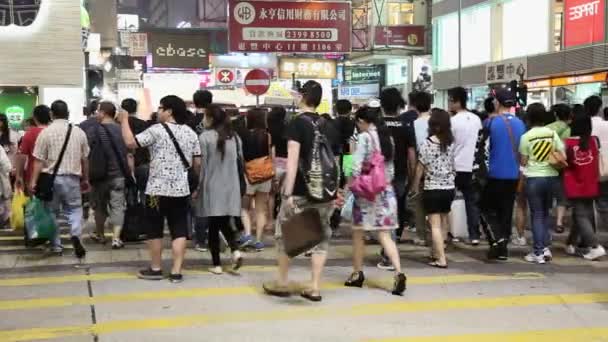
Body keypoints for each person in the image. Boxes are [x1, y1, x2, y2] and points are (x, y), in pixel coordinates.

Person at [263, 80, 340, 302]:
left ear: (303, 97)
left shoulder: (297, 123)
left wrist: (286, 194)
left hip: (300, 191)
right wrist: (336, 191)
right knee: (321, 237)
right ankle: (314, 286)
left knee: (285, 234)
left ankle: (283, 282)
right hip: (325, 191)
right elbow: (334, 161)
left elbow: (292, 162)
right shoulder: (329, 124)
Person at [118, 95, 201, 283]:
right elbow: (197, 163)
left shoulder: (156, 130)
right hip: (180, 191)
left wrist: (124, 121)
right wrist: (193, 183)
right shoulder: (190, 133)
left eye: (161, 108)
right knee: (179, 229)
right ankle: (176, 271)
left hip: (155, 192)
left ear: (169, 111)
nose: (159, 111)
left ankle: (156, 268)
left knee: (154, 228)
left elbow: (131, 143)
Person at [344, 106, 406, 295]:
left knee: (358, 234)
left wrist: (348, 186)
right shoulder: (387, 138)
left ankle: (357, 273)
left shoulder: (364, 138)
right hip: (386, 192)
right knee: (385, 236)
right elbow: (390, 169)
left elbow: (355, 167)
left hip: (366, 194)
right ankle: (399, 272)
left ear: (362, 121)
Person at [30, 100, 90, 259]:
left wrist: (33, 182)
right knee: (75, 210)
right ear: (68, 113)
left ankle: (57, 246)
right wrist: (86, 179)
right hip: (72, 178)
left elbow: (38, 160)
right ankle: (76, 234)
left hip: (51, 179)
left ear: (51, 114)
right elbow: (85, 159)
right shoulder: (79, 132)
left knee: (52, 212)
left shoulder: (46, 132)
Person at [195, 104, 244, 274]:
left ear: (211, 118)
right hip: (231, 187)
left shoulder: (205, 137)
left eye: (205, 116)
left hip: (212, 187)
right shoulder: (235, 138)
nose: (203, 119)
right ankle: (235, 251)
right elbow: (240, 163)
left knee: (214, 226)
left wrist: (197, 187)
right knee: (222, 222)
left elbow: (202, 166)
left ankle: (217, 264)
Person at [482, 89, 526, 261]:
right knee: (506, 210)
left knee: (485, 208)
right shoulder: (520, 124)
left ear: (496, 103)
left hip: (494, 173)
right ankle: (503, 247)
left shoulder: (490, 123)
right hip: (514, 174)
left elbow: (483, 149)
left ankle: (496, 241)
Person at [519, 103, 564, 264]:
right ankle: (544, 248)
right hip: (551, 177)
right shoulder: (552, 134)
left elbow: (523, 162)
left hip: (534, 179)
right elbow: (561, 152)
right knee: (545, 213)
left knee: (537, 215)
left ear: (529, 118)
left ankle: (538, 252)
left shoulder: (526, 137)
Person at [84, 102, 132, 249]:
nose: (96, 114)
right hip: (118, 175)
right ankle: (116, 238)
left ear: (103, 113)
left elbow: (86, 154)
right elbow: (130, 153)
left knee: (99, 207)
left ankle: (100, 234)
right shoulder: (121, 130)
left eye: (98, 111)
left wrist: (86, 176)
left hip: (99, 176)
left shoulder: (92, 131)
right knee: (118, 207)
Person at [412, 109, 455, 268]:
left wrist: (415, 186)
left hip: (432, 188)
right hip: (449, 187)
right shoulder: (450, 143)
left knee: (434, 225)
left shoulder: (428, 143)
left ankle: (441, 259)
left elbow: (419, 168)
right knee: (443, 223)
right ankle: (437, 252)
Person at [563, 110, 606, 260]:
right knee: (582, 214)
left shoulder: (568, 143)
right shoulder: (594, 141)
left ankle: (594, 246)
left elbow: (564, 163)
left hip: (575, 184)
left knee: (580, 215)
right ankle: (571, 243)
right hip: (592, 182)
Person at [380, 88, 417, 244]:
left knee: (381, 207)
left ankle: (386, 240)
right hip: (400, 174)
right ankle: (396, 234)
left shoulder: (377, 125)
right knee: (399, 205)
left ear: (382, 105)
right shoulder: (406, 125)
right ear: (399, 105)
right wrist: (413, 175)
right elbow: (411, 154)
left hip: (379, 175)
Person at [448, 87, 483, 245]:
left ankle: (451, 231)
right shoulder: (476, 119)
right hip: (472, 167)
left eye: (450, 100)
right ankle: (474, 234)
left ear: (456, 101)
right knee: (472, 201)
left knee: (449, 201)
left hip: (455, 166)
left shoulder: (452, 121)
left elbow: (449, 145)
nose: (449, 103)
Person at [239, 108, 273, 251]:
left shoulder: (242, 135)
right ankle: (258, 240)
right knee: (261, 210)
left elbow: (240, 156)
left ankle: (247, 234)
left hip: (249, 175)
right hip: (265, 175)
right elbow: (271, 155)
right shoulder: (268, 135)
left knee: (243, 208)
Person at [547, 104, 572, 234]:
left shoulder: (547, 128)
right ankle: (559, 222)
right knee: (562, 194)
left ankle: (544, 219)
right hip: (562, 164)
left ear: (556, 115)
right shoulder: (569, 129)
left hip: (548, 163)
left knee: (547, 193)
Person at [411, 92, 433, 246]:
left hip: (421, 165)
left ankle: (421, 234)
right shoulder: (437, 121)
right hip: (438, 167)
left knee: (419, 202)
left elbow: (413, 149)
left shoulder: (414, 124)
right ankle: (437, 233)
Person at [15, 105, 51, 193]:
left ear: (35, 118)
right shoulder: (54, 132)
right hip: (55, 174)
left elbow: (22, 156)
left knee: (35, 204)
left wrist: (19, 176)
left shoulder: (30, 133)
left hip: (33, 175)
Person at [585, 96, 608, 232]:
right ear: (600, 108)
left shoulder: (585, 126)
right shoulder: (606, 125)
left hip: (588, 169)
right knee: (604, 201)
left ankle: (590, 236)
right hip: (606, 168)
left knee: (586, 205)